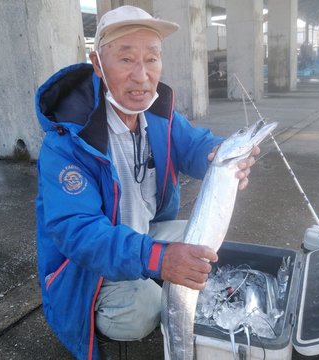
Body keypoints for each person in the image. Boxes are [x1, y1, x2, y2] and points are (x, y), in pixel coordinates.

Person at [34, 6, 260, 359]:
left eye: (151, 59)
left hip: (142, 238)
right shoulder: (66, 142)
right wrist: (159, 258)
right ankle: (109, 309)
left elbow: (194, 145)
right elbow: (77, 232)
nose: (142, 76)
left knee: (207, 251)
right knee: (144, 309)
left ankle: (154, 273)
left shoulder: (156, 115)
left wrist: (221, 155)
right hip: (87, 270)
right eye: (126, 60)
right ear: (97, 64)